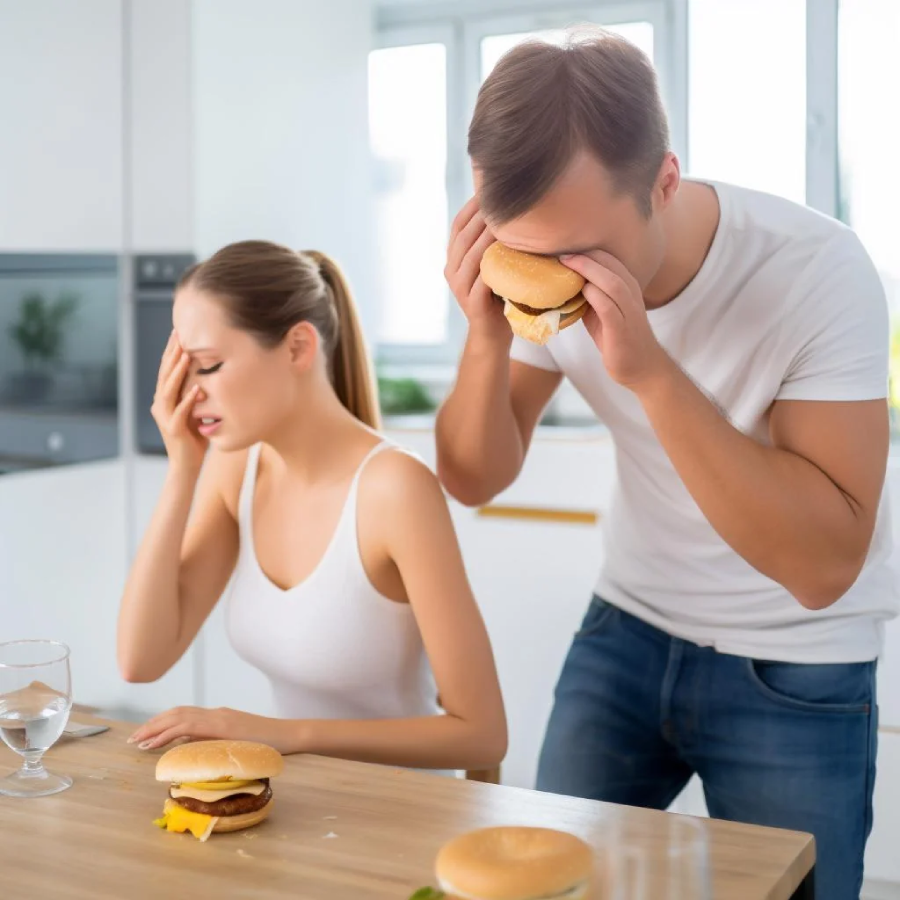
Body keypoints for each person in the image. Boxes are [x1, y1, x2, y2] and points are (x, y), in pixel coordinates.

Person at [435, 27, 896, 899]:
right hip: (628, 626)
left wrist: (649, 372)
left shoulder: (815, 273)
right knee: (542, 887)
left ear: (665, 182)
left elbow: (825, 566)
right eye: (519, 249)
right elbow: (473, 477)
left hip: (795, 660)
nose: (548, 276)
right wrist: (485, 341)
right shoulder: (540, 256)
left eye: (576, 252)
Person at [118, 240, 506, 773]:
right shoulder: (239, 469)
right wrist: (183, 468)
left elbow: (482, 737)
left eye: (207, 366)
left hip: (408, 814)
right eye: (183, 367)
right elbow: (141, 660)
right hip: (307, 805)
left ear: (299, 346)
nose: (190, 391)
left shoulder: (394, 489)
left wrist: (281, 736)